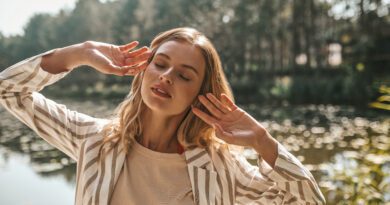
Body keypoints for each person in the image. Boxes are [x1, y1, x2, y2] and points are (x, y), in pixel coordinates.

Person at [0, 27, 325, 205]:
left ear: (202, 93)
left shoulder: (219, 166)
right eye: (160, 64)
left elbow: (307, 201)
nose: (167, 76)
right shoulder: (94, 140)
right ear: (142, 70)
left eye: (185, 76)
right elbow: (9, 90)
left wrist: (262, 141)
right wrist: (81, 53)